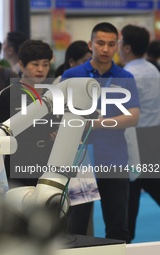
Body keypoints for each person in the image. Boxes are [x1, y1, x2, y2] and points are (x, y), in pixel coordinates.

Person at [61, 22, 140, 242]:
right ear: (91, 44)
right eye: (101, 43)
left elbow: (133, 117)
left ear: (117, 46)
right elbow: (61, 114)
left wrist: (97, 124)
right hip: (80, 161)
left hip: (114, 159)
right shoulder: (71, 75)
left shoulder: (126, 77)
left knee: (117, 226)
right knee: (76, 225)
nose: (105, 49)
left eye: (111, 44)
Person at [118, 24, 160, 243]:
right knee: (152, 184)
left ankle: (126, 240)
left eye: (118, 41)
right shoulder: (153, 69)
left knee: (131, 193)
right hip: (154, 135)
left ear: (126, 47)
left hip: (136, 139)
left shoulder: (129, 75)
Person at [0, 39, 55, 187]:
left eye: (45, 64)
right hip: (18, 161)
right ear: (21, 64)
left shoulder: (53, 93)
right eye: (35, 64)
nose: (41, 69)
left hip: (48, 161)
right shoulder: (8, 94)